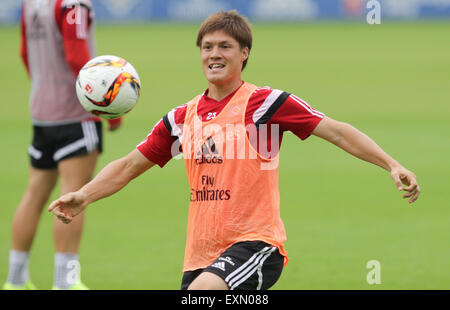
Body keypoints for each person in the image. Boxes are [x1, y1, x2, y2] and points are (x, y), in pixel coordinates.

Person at [48, 10, 420, 290]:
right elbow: (129, 165)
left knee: (202, 295)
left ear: (244, 54)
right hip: (200, 255)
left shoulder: (265, 104)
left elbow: (337, 132)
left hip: (257, 245)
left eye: (224, 46)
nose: (214, 54)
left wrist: (390, 164)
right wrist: (85, 194)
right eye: (207, 47)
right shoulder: (181, 118)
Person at [3, 0, 122, 290]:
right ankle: (65, 282)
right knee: (74, 195)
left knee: (34, 194)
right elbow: (76, 56)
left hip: (42, 113)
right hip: (76, 115)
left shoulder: (31, 3)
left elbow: (23, 51)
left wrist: (44, 91)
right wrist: (101, 107)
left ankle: (15, 280)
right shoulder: (74, 4)